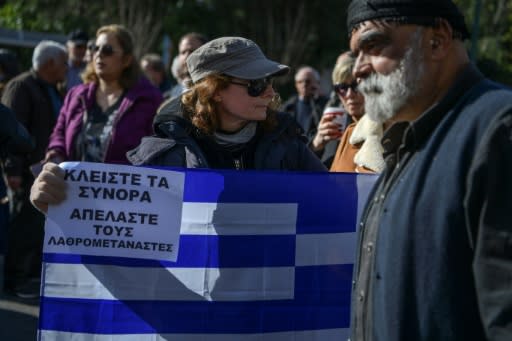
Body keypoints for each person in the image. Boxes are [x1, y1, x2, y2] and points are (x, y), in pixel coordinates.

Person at [346, 0, 512, 340]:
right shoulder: (405, 146)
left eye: (373, 45)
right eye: (355, 55)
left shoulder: (497, 132)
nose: (358, 70)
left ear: (437, 40)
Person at [31, 36, 327, 214]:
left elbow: (337, 208)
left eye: (270, 82)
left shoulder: (289, 146)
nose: (270, 93)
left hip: (269, 300)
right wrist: (58, 203)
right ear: (215, 91)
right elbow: (118, 227)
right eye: (256, 84)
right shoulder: (162, 156)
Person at [1, 40, 68, 298]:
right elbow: (9, 132)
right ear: (49, 63)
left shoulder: (52, 88)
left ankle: (28, 275)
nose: (66, 68)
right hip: (24, 172)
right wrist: (13, 171)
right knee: (21, 226)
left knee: (34, 227)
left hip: (42, 171)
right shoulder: (21, 86)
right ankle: (13, 280)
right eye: (63, 63)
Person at [44, 24, 163, 165]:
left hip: (125, 186)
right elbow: (59, 135)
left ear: (127, 60)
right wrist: (56, 154)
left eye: (107, 50)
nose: (98, 54)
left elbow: (157, 150)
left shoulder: (149, 100)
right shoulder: (76, 95)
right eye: (95, 48)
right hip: (73, 185)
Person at [314, 52, 384, 173]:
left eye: (356, 86)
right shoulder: (350, 131)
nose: (349, 94)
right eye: (342, 87)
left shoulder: (385, 128)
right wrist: (316, 144)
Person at [281, 66, 329, 141]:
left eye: (307, 81)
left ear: (317, 83)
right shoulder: (288, 106)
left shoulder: (326, 105)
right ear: (296, 85)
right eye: (300, 82)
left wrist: (315, 97)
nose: (304, 85)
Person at [166, 32, 208, 99]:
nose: (186, 56)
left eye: (192, 51)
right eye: (183, 52)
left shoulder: (215, 89)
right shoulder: (174, 93)